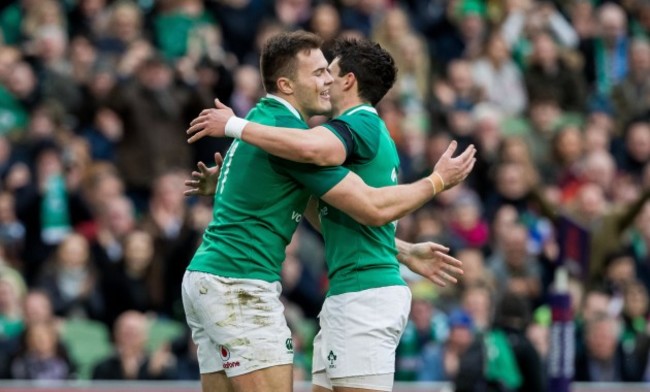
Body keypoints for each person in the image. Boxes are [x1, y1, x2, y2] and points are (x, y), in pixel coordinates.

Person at [181, 31, 475, 392]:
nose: (325, 81)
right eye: (317, 73)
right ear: (287, 85)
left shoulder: (278, 127)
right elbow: (360, 202)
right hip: (241, 281)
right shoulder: (290, 137)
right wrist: (435, 184)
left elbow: (359, 207)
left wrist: (406, 237)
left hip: (219, 279)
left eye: (327, 72)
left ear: (349, 82)